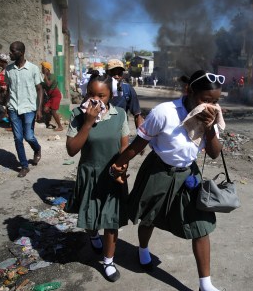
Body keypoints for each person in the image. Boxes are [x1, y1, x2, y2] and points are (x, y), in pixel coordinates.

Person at [110, 70, 226, 291]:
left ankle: (205, 284)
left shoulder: (209, 118)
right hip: (159, 171)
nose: (210, 106)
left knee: (201, 226)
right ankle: (142, 249)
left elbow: (214, 153)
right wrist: (119, 164)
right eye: (205, 100)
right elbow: (139, 144)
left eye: (215, 101)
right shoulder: (165, 112)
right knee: (149, 217)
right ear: (189, 91)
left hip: (188, 175)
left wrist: (210, 128)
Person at [65, 71, 130, 282]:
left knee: (111, 222)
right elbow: (72, 150)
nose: (95, 100)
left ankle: (108, 261)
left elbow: (124, 148)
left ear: (110, 95)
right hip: (89, 174)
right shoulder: (77, 114)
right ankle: (93, 234)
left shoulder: (119, 114)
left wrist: (121, 168)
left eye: (101, 95)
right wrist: (87, 123)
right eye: (91, 94)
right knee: (91, 217)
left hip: (112, 175)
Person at [5, 41, 43, 178]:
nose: (10, 53)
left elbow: (40, 89)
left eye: (12, 51)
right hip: (13, 108)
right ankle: (24, 166)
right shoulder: (8, 70)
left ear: (21, 52)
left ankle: (37, 149)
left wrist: (39, 109)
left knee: (28, 136)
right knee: (18, 138)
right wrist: (6, 106)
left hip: (29, 108)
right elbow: (8, 89)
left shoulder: (33, 69)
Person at [106, 59, 144, 129]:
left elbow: (137, 115)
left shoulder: (127, 89)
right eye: (113, 73)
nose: (116, 76)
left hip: (121, 132)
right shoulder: (98, 88)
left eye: (119, 73)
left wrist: (140, 136)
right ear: (107, 73)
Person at [41, 61, 63, 131]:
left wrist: (45, 76)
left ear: (46, 69)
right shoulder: (46, 77)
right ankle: (50, 121)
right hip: (51, 96)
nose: (41, 69)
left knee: (53, 111)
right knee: (45, 109)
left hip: (56, 95)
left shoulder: (52, 76)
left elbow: (48, 84)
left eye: (43, 68)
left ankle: (60, 126)